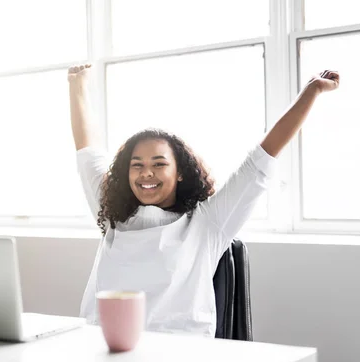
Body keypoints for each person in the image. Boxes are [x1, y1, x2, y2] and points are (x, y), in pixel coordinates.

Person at [67, 64, 339, 337]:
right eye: (136, 165)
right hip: (102, 348)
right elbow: (88, 153)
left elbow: (262, 158)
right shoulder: (114, 214)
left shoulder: (207, 222)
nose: (146, 173)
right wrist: (77, 85)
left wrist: (312, 91)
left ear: (181, 172)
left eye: (159, 164)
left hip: (179, 355)